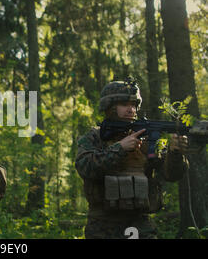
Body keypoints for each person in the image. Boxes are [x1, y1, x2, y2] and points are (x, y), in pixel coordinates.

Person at [75, 78, 189, 239]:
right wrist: (119, 148)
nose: (131, 109)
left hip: (140, 224)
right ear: (110, 107)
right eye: (124, 104)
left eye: (134, 105)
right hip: (103, 225)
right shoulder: (95, 137)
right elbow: (84, 166)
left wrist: (175, 152)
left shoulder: (147, 140)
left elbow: (171, 175)